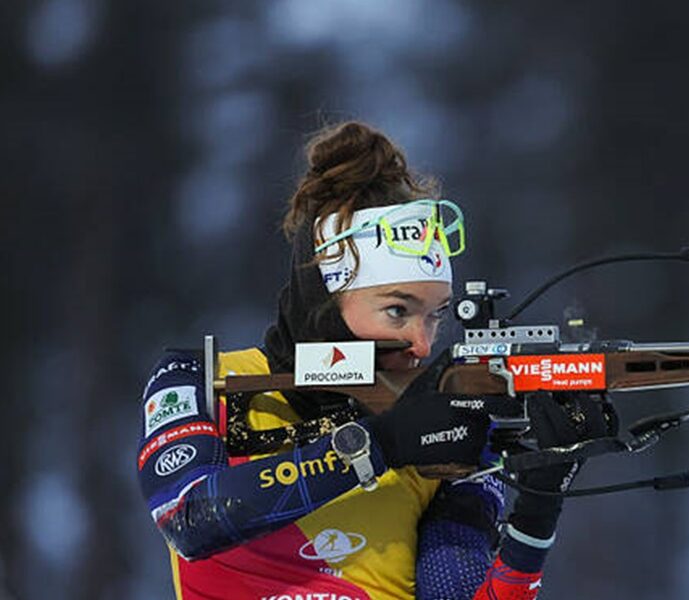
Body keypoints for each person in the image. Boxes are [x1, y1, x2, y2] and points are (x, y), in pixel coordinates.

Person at [136, 121, 609, 599]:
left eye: (435, 317)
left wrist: (538, 509)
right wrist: (378, 446)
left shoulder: (444, 432)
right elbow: (189, 518)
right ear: (324, 301)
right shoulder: (202, 379)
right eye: (397, 311)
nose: (421, 344)